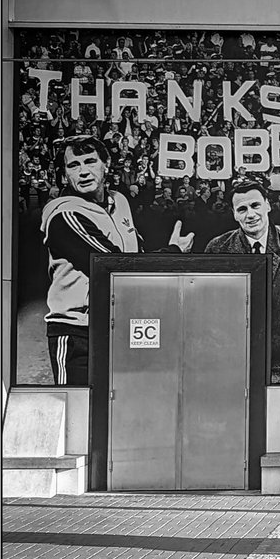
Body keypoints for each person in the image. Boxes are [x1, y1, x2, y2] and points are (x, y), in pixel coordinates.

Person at [41, 133, 194, 385]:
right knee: (81, 411)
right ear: (65, 174)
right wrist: (173, 252)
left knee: (128, 405)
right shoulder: (64, 214)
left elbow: (135, 255)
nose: (83, 171)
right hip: (79, 332)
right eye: (73, 165)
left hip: (123, 324)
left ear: (106, 164)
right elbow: (113, 266)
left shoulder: (120, 201)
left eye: (90, 161)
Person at [205, 175, 280, 383]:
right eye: (242, 209)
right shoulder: (218, 248)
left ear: (268, 206)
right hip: (234, 366)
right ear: (234, 214)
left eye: (255, 205)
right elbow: (208, 306)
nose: (250, 214)